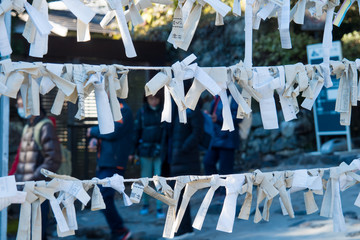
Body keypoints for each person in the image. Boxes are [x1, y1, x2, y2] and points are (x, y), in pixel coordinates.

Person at [14, 96, 62, 240]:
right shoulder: (29, 126)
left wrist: (32, 179)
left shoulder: (45, 126)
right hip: (25, 190)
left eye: (21, 104)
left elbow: (53, 160)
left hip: (37, 190)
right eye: (18, 105)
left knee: (37, 232)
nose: (19, 108)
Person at [87, 98, 133, 240]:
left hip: (114, 162)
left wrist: (93, 131)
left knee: (104, 196)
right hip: (104, 161)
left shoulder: (123, 109)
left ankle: (120, 230)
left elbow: (113, 132)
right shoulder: (108, 109)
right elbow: (105, 133)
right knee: (101, 198)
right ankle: (117, 231)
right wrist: (95, 140)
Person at [163, 81, 204, 239]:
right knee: (176, 196)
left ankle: (183, 230)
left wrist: (183, 148)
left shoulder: (192, 109)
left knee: (181, 196)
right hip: (174, 160)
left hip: (185, 159)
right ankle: (181, 228)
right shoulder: (173, 110)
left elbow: (197, 133)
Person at [129, 93, 165, 218]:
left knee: (159, 179)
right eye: (151, 98)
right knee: (144, 179)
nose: (153, 101)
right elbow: (136, 132)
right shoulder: (142, 112)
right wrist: (132, 152)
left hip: (159, 150)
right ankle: (145, 204)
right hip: (145, 151)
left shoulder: (164, 110)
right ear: (147, 99)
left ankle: (159, 207)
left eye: (156, 98)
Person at [203, 93, 241, 180]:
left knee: (225, 171)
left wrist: (219, 119)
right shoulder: (217, 97)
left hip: (228, 139)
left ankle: (224, 191)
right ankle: (217, 189)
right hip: (216, 138)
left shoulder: (234, 97)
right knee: (208, 162)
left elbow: (239, 118)